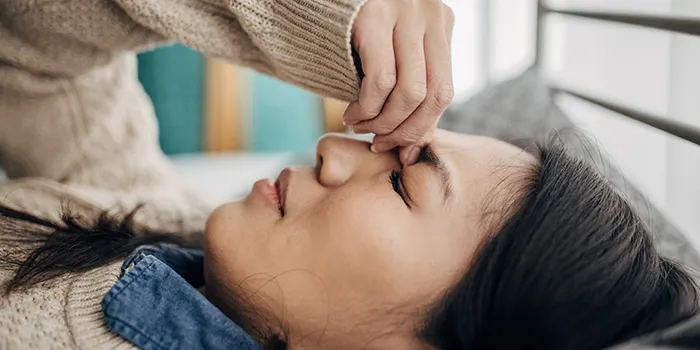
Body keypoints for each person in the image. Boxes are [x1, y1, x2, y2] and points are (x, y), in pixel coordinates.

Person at [0, 1, 699, 349]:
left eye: (401, 185)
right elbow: (32, 56)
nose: (332, 148)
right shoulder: (159, 232)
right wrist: (333, 21)